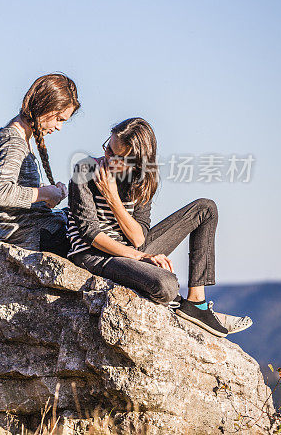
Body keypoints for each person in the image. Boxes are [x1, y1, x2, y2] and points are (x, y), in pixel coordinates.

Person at [66, 117, 251, 337]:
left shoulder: (142, 181)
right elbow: (90, 234)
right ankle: (180, 303)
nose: (107, 157)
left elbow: (139, 237)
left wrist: (113, 198)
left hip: (132, 249)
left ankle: (196, 303)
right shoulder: (86, 169)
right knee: (167, 286)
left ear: (135, 163)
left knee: (206, 209)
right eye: (108, 147)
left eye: (116, 156)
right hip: (96, 256)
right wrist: (139, 257)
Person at [0, 73, 80, 255]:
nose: (59, 127)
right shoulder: (13, 142)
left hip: (36, 228)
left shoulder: (21, 138)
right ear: (44, 105)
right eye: (59, 119)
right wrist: (44, 193)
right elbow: (0, 193)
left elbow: (18, 188)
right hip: (31, 236)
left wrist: (50, 192)